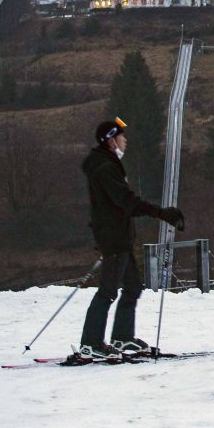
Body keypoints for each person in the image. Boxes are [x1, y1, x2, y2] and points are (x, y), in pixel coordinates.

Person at [76, 117, 185, 360]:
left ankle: (122, 338)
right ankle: (90, 343)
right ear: (111, 141)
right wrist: (161, 213)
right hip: (113, 238)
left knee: (133, 287)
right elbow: (126, 202)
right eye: (121, 136)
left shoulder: (107, 164)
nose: (125, 140)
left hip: (120, 237)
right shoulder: (105, 168)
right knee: (107, 291)